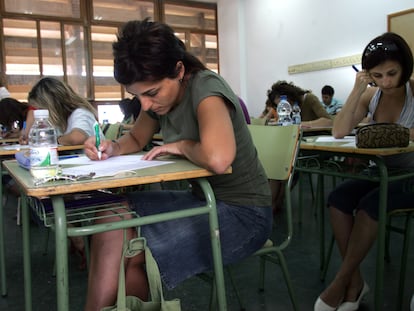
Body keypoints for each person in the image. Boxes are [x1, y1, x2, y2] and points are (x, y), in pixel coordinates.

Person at [82, 18, 272, 310]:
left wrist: (183, 146)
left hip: (244, 214)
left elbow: (218, 159)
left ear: (179, 70)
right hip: (203, 199)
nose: (144, 104)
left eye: (152, 93)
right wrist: (112, 147)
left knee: (134, 254)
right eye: (137, 96)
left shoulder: (205, 87)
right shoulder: (160, 99)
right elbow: (135, 138)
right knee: (111, 214)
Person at [314, 32, 414, 311]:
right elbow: (339, 130)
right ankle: (356, 282)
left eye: (392, 73)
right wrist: (358, 90)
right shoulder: (372, 95)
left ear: (405, 67)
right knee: (338, 200)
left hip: (410, 177)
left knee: (371, 206)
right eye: (377, 75)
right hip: (381, 172)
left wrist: (385, 134)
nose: (386, 82)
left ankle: (341, 281)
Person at [24, 76, 103, 269]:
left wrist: (50, 138)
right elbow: (30, 134)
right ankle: (75, 237)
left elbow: (78, 137)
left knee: (48, 194)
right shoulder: (62, 119)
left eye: (40, 108)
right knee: (40, 190)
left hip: (94, 174)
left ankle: (78, 239)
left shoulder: (79, 113)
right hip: (76, 172)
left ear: (51, 103)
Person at [267, 80, 333, 128]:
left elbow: (328, 121)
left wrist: (301, 124)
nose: (284, 107)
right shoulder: (287, 110)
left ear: (290, 96)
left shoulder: (309, 98)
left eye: (284, 103)